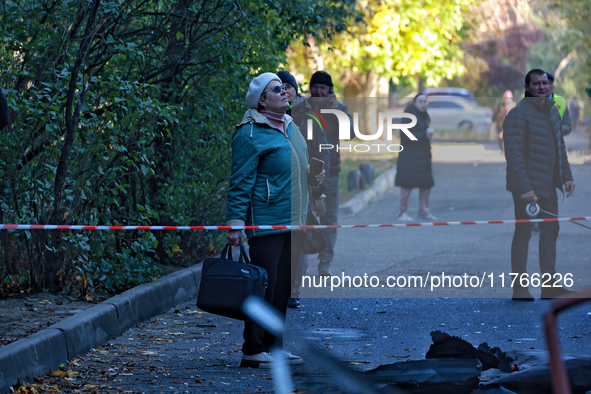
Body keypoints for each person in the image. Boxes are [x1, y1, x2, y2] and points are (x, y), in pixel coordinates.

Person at [225, 72, 323, 367]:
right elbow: (240, 181)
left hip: (295, 221)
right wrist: (235, 222)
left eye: (284, 88)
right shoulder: (250, 133)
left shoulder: (291, 127)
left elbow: (294, 172)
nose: (284, 92)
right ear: (262, 100)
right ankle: (253, 349)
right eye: (275, 89)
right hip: (266, 223)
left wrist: (312, 180)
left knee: (282, 290)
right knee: (262, 288)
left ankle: (275, 348)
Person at [503, 69, 576, 301]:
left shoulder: (553, 112)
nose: (542, 87)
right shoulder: (518, 115)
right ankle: (520, 288)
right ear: (527, 87)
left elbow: (559, 147)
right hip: (527, 189)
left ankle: (550, 286)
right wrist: (524, 188)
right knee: (523, 233)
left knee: (551, 231)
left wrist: (567, 176)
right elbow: (514, 156)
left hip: (549, 185)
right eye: (537, 84)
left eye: (545, 83)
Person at [307, 71, 353, 276]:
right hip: (303, 172)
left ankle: (325, 261)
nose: (318, 90)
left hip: (330, 172)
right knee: (303, 218)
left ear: (330, 90)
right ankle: (300, 260)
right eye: (315, 87)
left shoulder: (340, 108)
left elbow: (350, 134)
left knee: (328, 218)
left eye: (323, 87)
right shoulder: (303, 108)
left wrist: (337, 113)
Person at [394, 94, 437, 222]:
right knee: (407, 185)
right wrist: (424, 135)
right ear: (414, 102)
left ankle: (424, 211)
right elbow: (405, 135)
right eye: (420, 101)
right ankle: (401, 212)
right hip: (409, 156)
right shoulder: (408, 115)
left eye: (425, 101)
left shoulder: (425, 116)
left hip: (423, 156)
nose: (423, 104)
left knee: (426, 184)